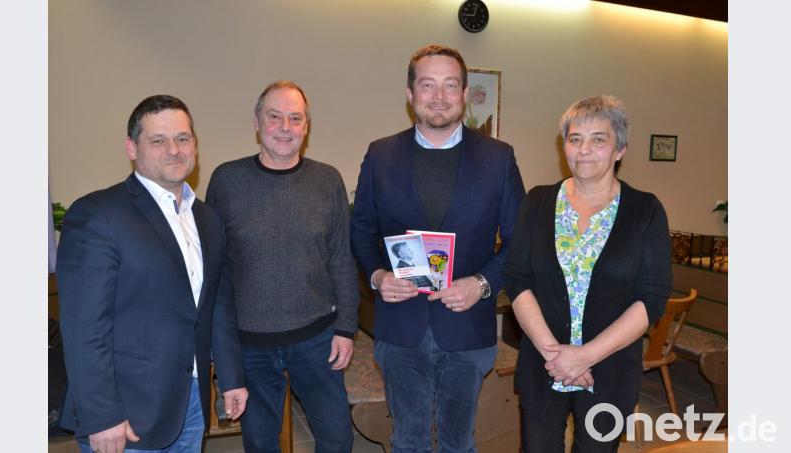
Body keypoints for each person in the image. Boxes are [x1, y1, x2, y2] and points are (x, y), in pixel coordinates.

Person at [350, 44, 525, 452]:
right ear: (410, 94)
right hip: (400, 327)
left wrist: (481, 284)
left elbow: (520, 242)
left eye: (451, 85)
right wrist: (377, 277)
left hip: (467, 329)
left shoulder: (499, 159)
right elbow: (361, 229)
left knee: (457, 442)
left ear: (465, 93)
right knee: (407, 440)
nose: (440, 95)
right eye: (428, 85)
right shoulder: (381, 154)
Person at [57, 95, 248, 453]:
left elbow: (217, 306)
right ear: (132, 147)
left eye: (183, 138)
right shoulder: (98, 214)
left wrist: (232, 378)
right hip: (126, 414)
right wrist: (101, 415)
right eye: (158, 140)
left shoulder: (207, 219)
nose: (174, 150)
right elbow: (84, 327)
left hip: (191, 401)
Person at [503, 95, 672, 452]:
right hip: (544, 367)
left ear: (620, 149)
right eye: (575, 138)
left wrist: (585, 356)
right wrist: (558, 357)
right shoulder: (537, 202)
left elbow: (652, 297)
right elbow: (518, 280)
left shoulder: (645, 211)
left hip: (608, 371)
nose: (584, 149)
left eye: (599, 139)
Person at [206, 80, 359, 453]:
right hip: (250, 344)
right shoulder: (226, 180)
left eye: (295, 118)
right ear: (257, 122)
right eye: (275, 117)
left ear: (306, 127)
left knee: (338, 439)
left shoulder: (327, 180)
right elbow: (215, 270)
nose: (285, 127)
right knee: (260, 443)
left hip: (318, 338)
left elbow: (341, 257)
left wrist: (347, 328)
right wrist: (218, 342)